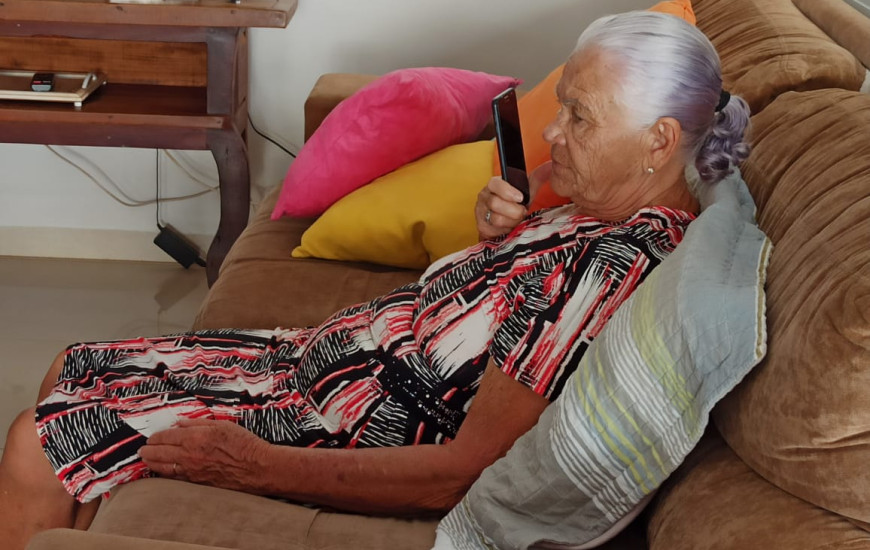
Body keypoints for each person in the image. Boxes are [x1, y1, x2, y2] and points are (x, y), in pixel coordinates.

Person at [0, 10, 750, 549]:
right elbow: (513, 292)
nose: (552, 134)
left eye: (579, 117)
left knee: (35, 445)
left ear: (659, 141)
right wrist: (502, 230)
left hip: (324, 425)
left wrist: (254, 465)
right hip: (309, 368)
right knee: (73, 366)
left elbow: (463, 470)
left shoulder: (611, 266)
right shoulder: (605, 208)